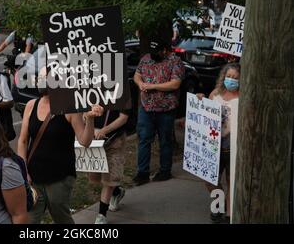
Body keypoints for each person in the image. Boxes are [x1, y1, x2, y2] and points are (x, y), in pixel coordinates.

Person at [17, 67, 104, 224]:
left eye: (45, 77)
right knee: (29, 219)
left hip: (60, 177)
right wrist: (23, 170)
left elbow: (85, 141)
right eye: (40, 77)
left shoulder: (69, 108)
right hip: (33, 176)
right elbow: (22, 141)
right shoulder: (31, 105)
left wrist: (90, 119)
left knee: (60, 216)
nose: (40, 81)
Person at [133, 38, 185, 185]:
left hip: (166, 109)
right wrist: (140, 83)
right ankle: (142, 173)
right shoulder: (146, 58)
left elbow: (175, 84)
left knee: (165, 140)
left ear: (164, 50)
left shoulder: (175, 61)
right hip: (146, 108)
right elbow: (137, 74)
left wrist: (152, 86)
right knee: (144, 139)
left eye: (157, 52)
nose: (153, 56)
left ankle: (165, 171)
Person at [196, 63, 240, 224]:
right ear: (223, 77)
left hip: (234, 146)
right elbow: (205, 116)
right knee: (209, 180)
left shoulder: (243, 96)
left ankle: (228, 214)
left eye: (236, 78)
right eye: (229, 76)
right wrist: (200, 100)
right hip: (214, 146)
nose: (231, 80)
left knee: (231, 180)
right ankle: (218, 203)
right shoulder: (215, 94)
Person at [89, 108, 130, 224]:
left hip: (115, 140)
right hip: (95, 140)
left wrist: (105, 130)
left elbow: (123, 117)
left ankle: (101, 215)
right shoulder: (90, 90)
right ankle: (117, 191)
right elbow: (83, 113)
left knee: (110, 178)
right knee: (95, 177)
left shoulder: (122, 92)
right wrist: (91, 128)